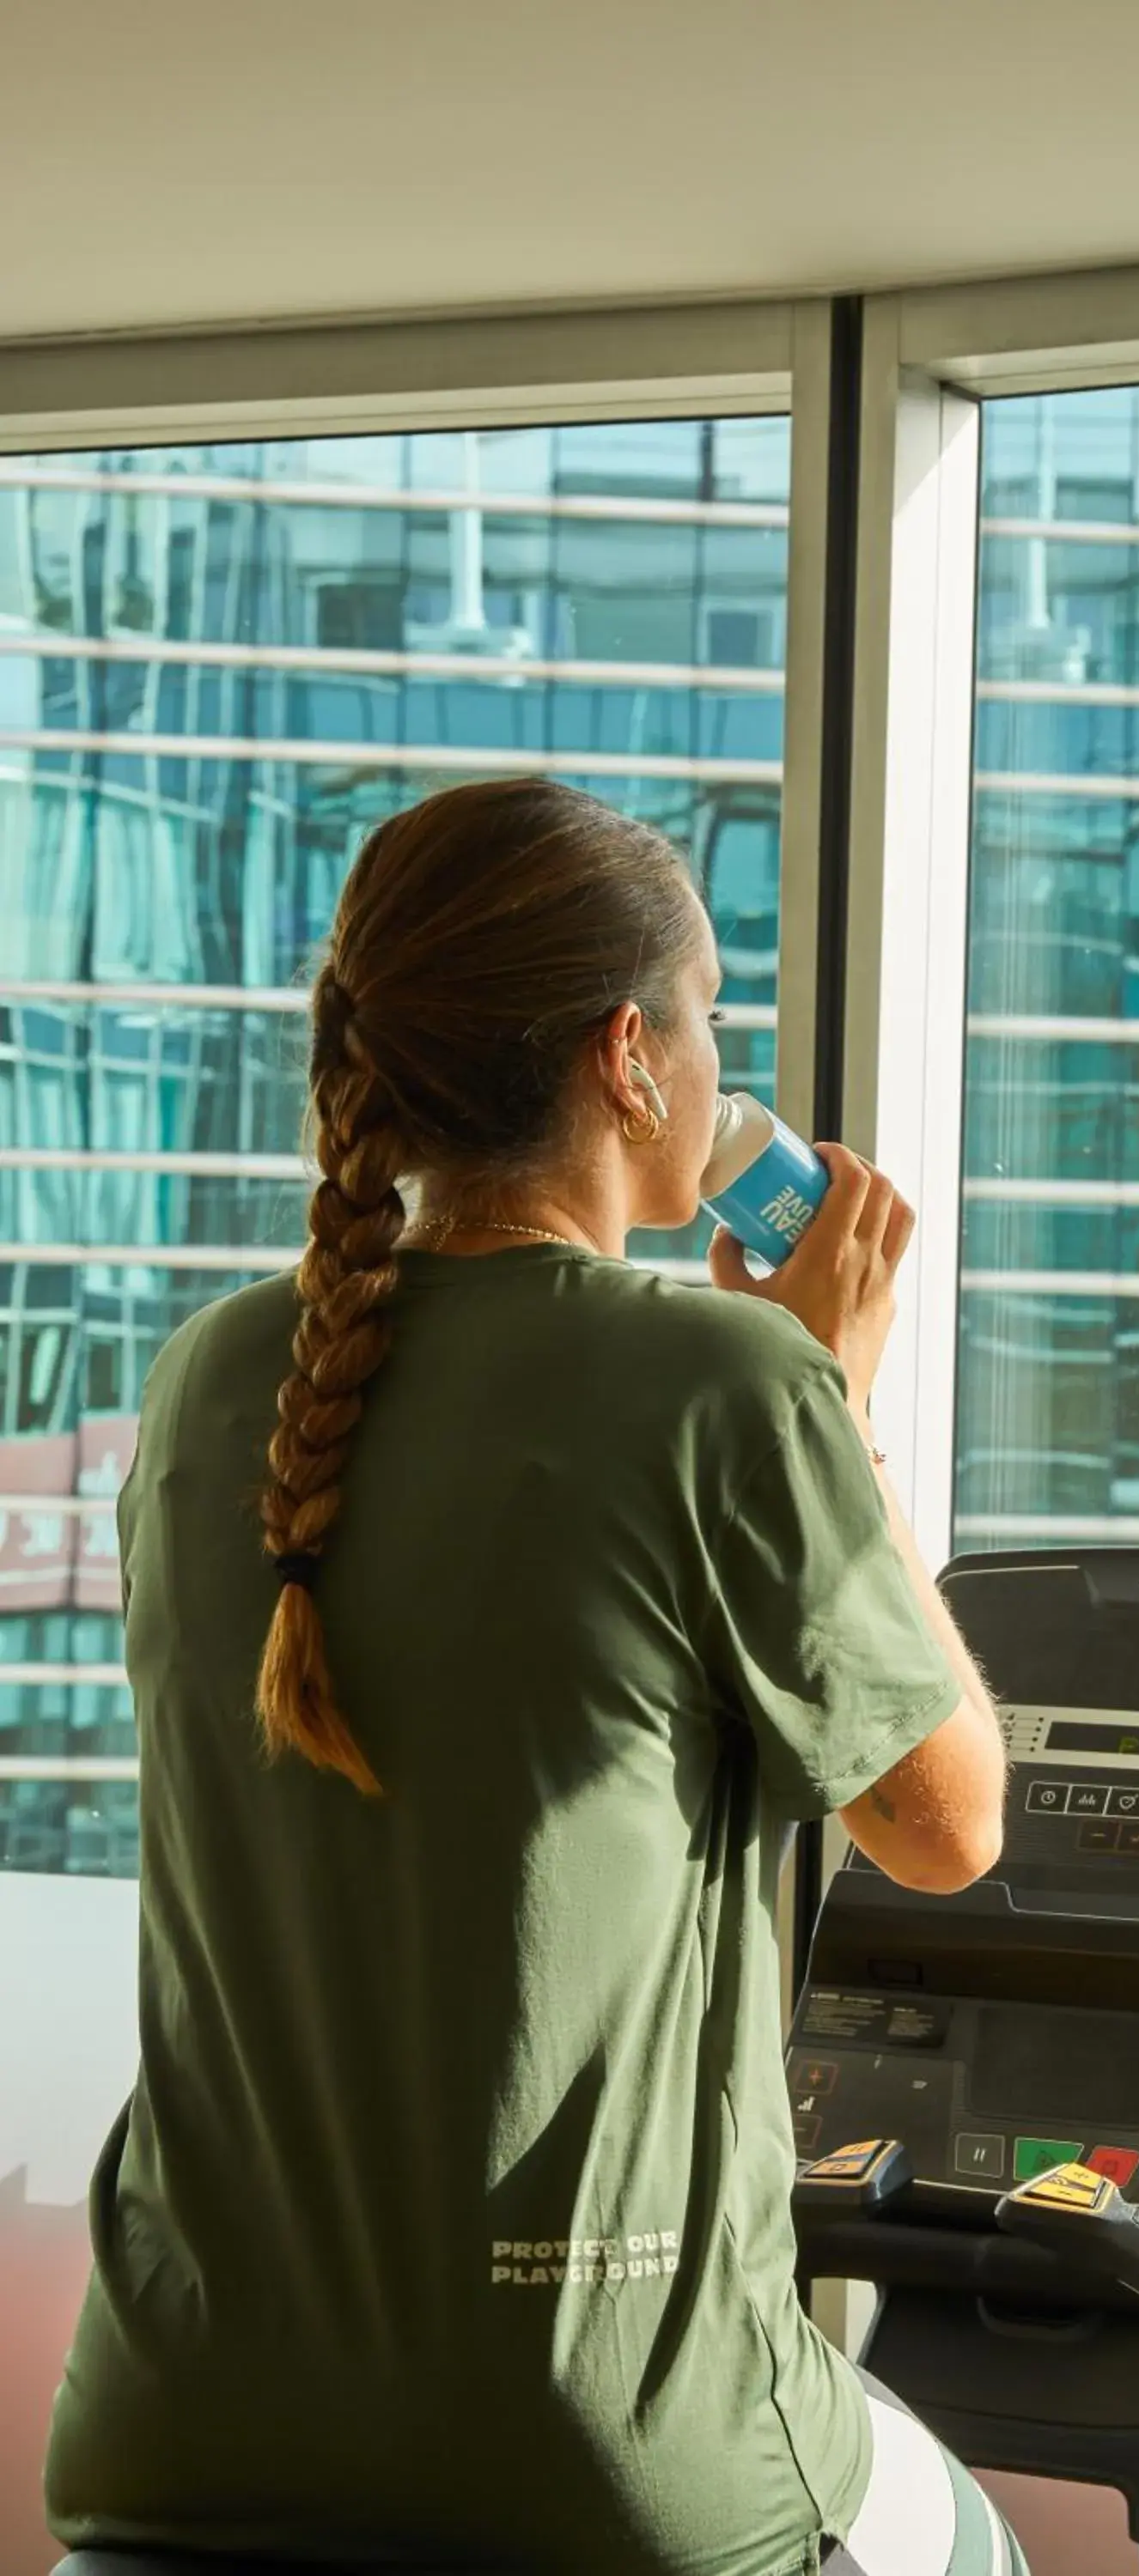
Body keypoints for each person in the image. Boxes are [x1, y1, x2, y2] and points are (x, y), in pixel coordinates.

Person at [44, 776, 1026, 2576]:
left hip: (176, 2428)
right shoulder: (729, 1388)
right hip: (597, 2455)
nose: (728, 1059)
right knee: (974, 2542)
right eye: (712, 1012)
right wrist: (839, 1407)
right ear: (628, 1055)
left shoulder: (207, 1381)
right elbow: (947, 1828)